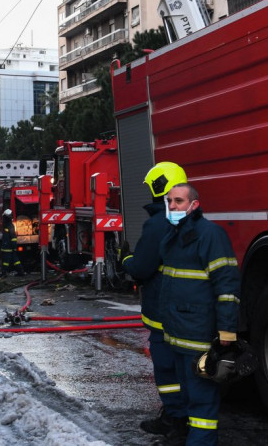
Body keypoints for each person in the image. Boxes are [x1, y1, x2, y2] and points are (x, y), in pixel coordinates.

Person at [158, 183, 240, 446]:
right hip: (178, 334)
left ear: (194, 204)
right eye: (169, 201)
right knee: (189, 397)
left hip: (199, 335)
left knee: (202, 401)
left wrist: (226, 331)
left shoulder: (210, 235)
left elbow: (227, 286)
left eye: (179, 201)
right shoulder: (174, 236)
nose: (172, 206)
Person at [122, 162, 189, 440]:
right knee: (188, 368)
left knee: (166, 368)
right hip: (191, 311)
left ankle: (176, 420)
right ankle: (187, 419)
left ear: (159, 189)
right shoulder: (194, 220)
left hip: (164, 312)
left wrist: (125, 259)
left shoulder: (158, 224)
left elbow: (142, 267)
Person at [0, 209, 25, 276]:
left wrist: (14, 246)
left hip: (8, 248)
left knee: (6, 261)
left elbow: (13, 237)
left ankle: (4, 273)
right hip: (8, 247)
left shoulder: (10, 226)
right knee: (15, 260)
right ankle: (20, 272)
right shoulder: (7, 225)